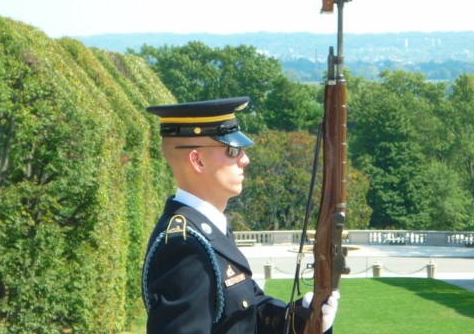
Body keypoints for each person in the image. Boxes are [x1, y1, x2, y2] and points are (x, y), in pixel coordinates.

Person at [142, 96, 339, 333]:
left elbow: (248, 309)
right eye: (232, 150)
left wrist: (303, 317)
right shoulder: (185, 247)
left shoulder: (208, 230)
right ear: (198, 161)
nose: (245, 159)